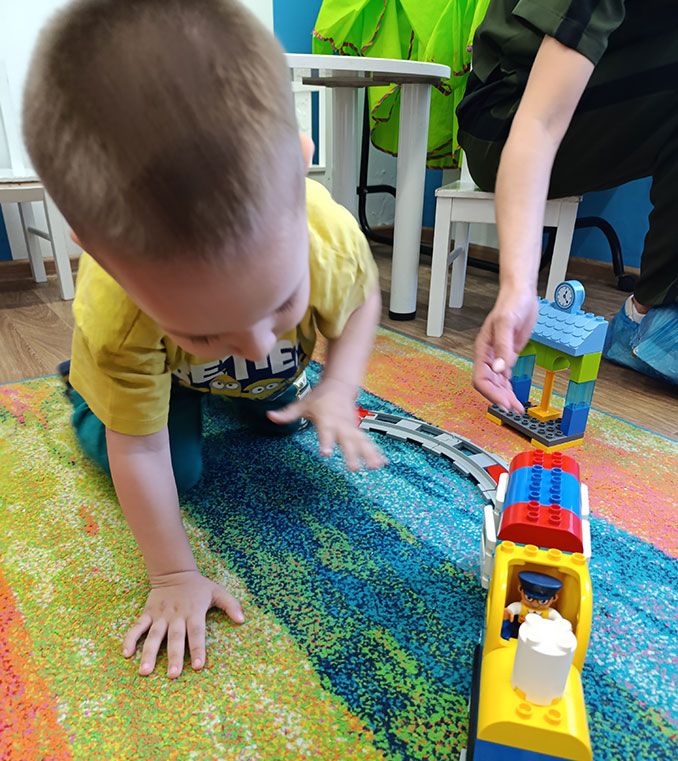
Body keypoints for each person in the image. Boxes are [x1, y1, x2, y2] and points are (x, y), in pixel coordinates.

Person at [22, 0, 386, 679]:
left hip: (243, 374)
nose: (256, 345)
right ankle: (86, 391)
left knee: (282, 418)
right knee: (172, 468)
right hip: (160, 376)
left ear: (301, 167)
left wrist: (339, 386)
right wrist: (172, 575)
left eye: (281, 301)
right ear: (101, 256)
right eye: (204, 328)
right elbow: (141, 449)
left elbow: (360, 302)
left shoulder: (325, 235)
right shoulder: (119, 313)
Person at [455, 0, 678, 412]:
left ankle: (653, 315)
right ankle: (650, 317)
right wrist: (518, 288)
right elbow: (538, 123)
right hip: (504, 115)